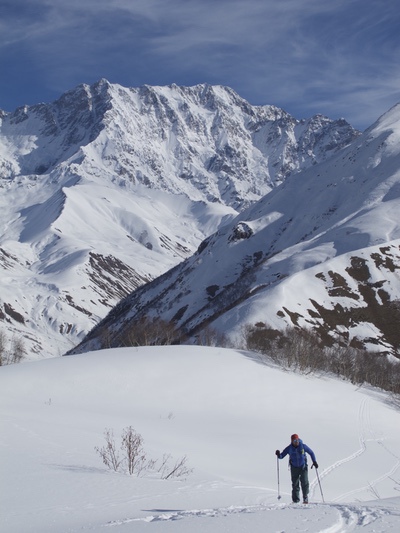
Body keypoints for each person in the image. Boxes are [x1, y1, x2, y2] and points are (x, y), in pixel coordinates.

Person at [275, 433, 318, 504]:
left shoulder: (303, 446)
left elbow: (311, 453)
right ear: (292, 441)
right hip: (294, 467)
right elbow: (281, 456)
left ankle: (305, 497)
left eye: (297, 440)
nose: (296, 442)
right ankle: (295, 500)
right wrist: (278, 454)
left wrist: (314, 461)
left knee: (304, 481)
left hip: (303, 466)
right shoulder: (289, 448)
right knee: (295, 484)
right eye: (294, 441)